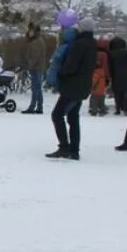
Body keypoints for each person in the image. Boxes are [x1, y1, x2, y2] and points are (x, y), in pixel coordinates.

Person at [47, 18, 97, 160]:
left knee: (57, 115)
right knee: (73, 117)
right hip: (83, 86)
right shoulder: (92, 44)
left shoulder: (79, 44)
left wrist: (60, 73)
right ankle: (74, 150)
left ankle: (64, 147)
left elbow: (71, 65)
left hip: (72, 86)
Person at [22, 23, 46, 114]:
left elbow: (35, 57)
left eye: (31, 30)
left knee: (35, 88)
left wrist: (29, 66)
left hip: (36, 68)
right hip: (38, 67)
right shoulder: (36, 40)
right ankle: (39, 107)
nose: (29, 32)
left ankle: (32, 107)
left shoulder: (36, 42)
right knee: (38, 88)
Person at [109, 37, 127, 115]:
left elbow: (110, 66)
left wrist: (110, 75)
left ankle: (118, 108)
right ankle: (126, 108)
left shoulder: (112, 54)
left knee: (117, 92)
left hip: (116, 75)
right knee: (126, 92)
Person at [88, 38, 111, 116]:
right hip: (102, 76)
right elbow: (105, 65)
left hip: (93, 74)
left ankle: (93, 107)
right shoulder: (104, 54)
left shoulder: (93, 52)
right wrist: (107, 76)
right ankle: (101, 108)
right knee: (101, 94)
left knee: (94, 93)